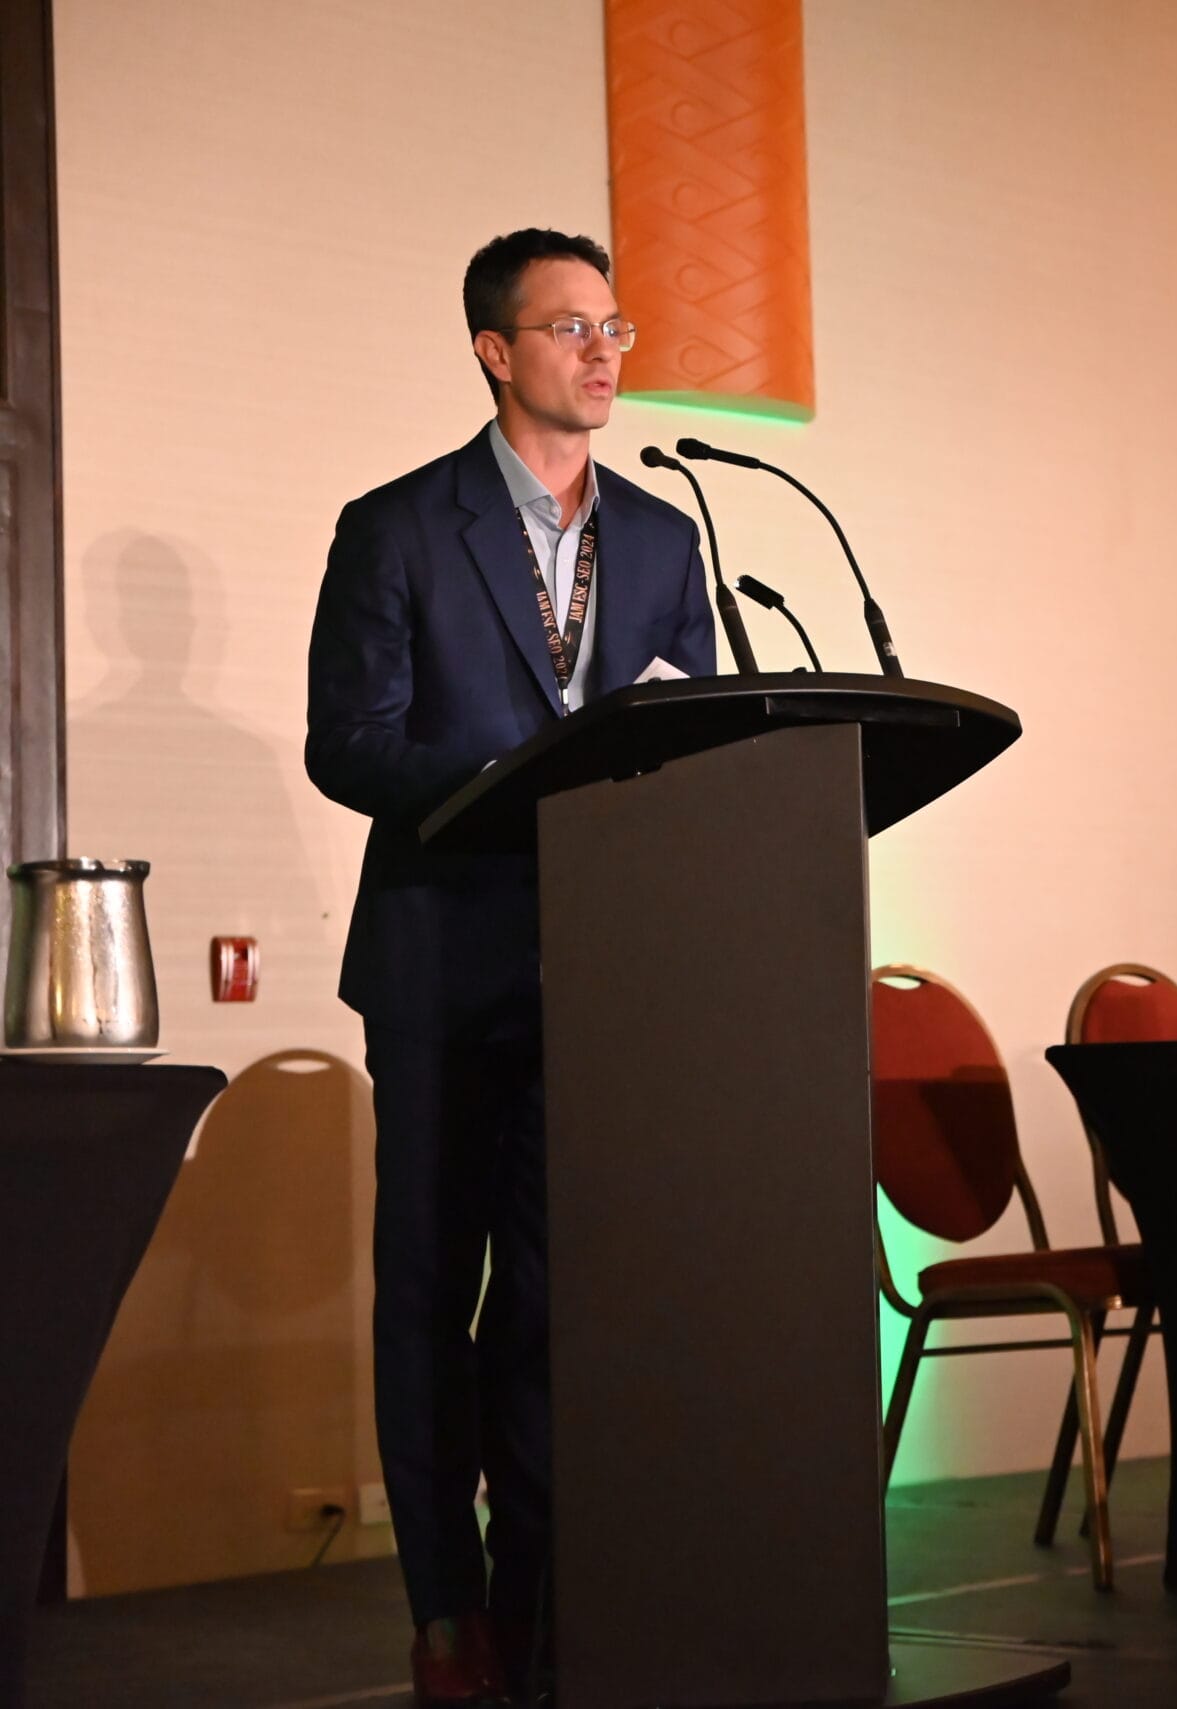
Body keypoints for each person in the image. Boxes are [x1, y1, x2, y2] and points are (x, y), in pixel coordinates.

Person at [305, 228, 713, 1706]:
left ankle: (543, 1601)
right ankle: (446, 1610)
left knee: (555, 1305)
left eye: (615, 328)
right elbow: (347, 743)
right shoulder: (400, 527)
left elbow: (699, 725)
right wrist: (504, 780)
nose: (604, 354)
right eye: (569, 329)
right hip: (440, 965)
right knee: (432, 1294)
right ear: (496, 351)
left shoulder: (662, 538)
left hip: (597, 978)